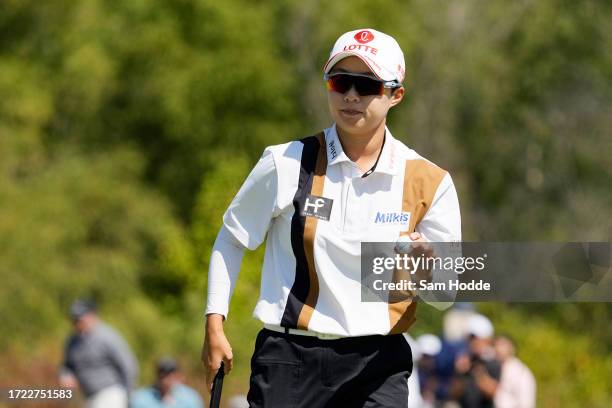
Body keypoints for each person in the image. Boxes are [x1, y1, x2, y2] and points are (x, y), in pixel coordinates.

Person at [202, 28, 462, 407]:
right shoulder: (285, 161)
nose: (351, 96)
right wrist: (214, 324)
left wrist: (427, 268)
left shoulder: (430, 181)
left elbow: (444, 295)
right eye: (341, 82)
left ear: (396, 94)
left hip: (378, 364)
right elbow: (232, 237)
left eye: (366, 85)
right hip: (288, 359)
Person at [59, 299, 138, 408]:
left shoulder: (107, 336)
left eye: (80, 318)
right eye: (74, 319)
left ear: (92, 315)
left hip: (111, 395)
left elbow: (128, 366)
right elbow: (67, 366)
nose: (77, 322)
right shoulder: (72, 341)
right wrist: (66, 376)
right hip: (89, 397)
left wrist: (128, 396)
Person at [451, 314, 501, 408]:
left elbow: (492, 393)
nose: (472, 342)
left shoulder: (493, 362)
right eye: (470, 338)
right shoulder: (464, 360)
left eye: (475, 338)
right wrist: (460, 374)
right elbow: (454, 395)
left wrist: (478, 372)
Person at [131, 357, 204, 408]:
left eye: (172, 374)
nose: (168, 379)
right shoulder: (141, 398)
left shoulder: (190, 397)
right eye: (164, 375)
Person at [493, 335, 536, 408]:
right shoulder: (494, 369)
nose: (497, 348)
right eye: (495, 345)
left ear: (511, 347)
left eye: (502, 344)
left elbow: (526, 403)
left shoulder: (520, 372)